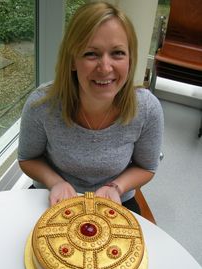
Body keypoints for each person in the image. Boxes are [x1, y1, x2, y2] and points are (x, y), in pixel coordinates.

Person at [18, 1, 164, 214]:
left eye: (117, 53)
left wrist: (116, 187)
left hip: (114, 201)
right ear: (72, 61)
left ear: (130, 60)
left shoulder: (148, 109)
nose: (105, 67)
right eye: (91, 54)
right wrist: (55, 182)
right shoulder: (42, 104)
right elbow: (27, 158)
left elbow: (147, 167)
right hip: (52, 197)